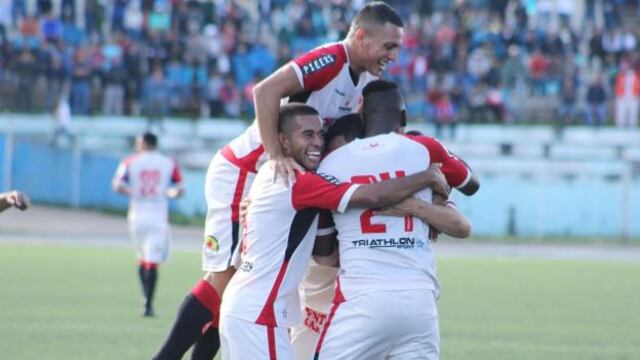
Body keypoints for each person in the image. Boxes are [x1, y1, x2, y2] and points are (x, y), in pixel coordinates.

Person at [152, 3, 404, 359]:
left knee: (243, 285)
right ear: (361, 37)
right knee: (225, 280)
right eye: (388, 46)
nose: (393, 55)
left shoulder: (362, 81)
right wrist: (275, 157)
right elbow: (265, 91)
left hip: (274, 182)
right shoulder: (332, 59)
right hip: (247, 170)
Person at [218, 102, 449, 360]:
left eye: (320, 134)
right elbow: (371, 196)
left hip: (244, 306)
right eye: (307, 134)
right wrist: (426, 177)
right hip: (260, 313)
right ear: (283, 141)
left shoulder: (271, 173)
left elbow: (323, 254)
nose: (318, 142)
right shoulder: (299, 182)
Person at [313, 80, 476, 360]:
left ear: (360, 112)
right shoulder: (425, 151)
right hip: (420, 300)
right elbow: (471, 184)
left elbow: (324, 253)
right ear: (402, 117)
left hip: (362, 298)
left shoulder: (330, 164)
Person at [112, 132, 184, 317]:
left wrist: (135, 191)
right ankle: (148, 303)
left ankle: (144, 299)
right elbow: (180, 189)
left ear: (143, 143)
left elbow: (118, 185)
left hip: (137, 214)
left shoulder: (130, 161)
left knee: (142, 257)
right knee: (152, 260)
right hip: (157, 214)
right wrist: (167, 193)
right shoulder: (168, 162)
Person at [614, 61, 640, 128]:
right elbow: (617, 86)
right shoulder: (620, 76)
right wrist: (619, 94)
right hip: (622, 96)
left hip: (633, 96)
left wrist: (637, 95)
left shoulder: (637, 76)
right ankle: (620, 125)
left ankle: (632, 125)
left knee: (633, 112)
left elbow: (638, 86)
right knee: (621, 111)